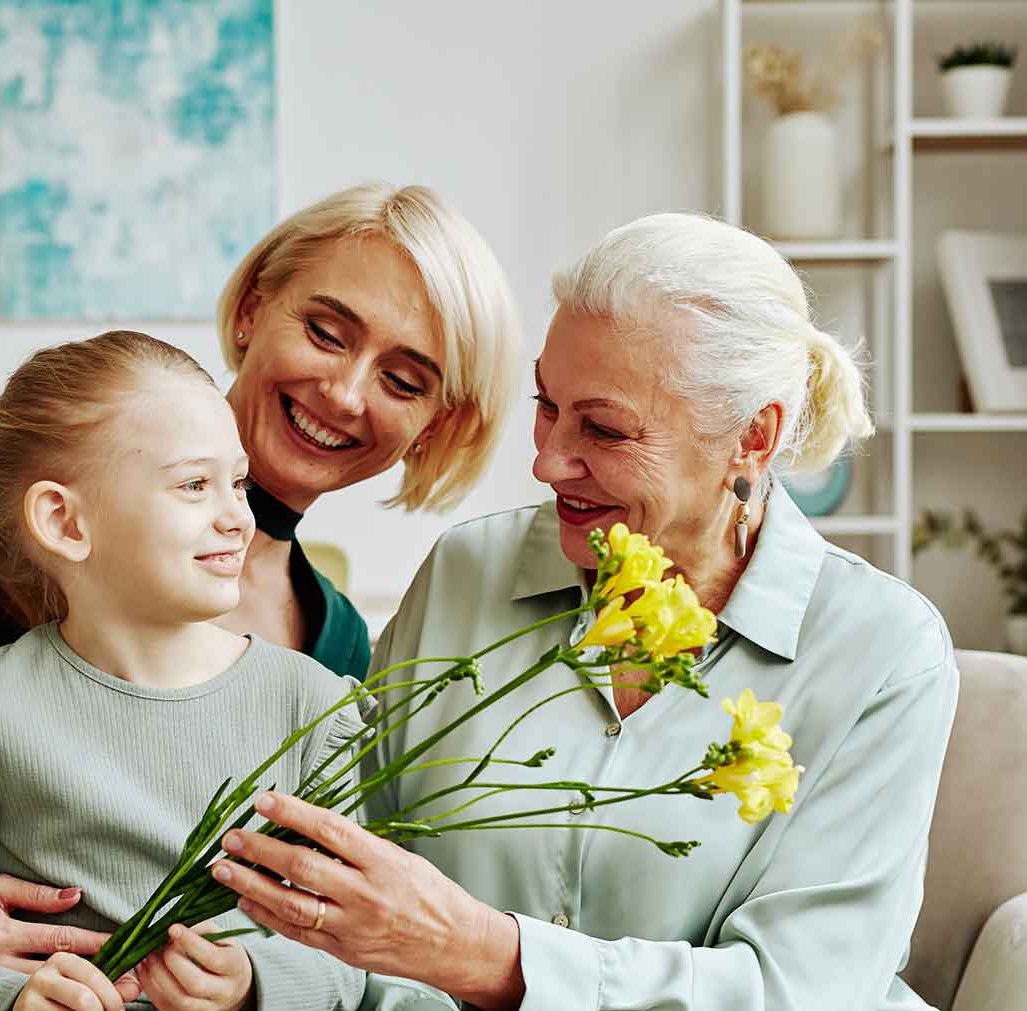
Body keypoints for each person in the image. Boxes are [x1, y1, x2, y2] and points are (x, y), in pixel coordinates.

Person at [210, 212, 961, 1010]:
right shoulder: (468, 573)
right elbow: (328, 882)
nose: (546, 460)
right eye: (547, 404)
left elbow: (802, 990)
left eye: (604, 428)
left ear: (752, 436)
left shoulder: (884, 652)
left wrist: (489, 955)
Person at [0, 182, 522, 973]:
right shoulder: (45, 468)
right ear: (251, 311)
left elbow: (303, 926)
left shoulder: (331, 650)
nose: (344, 391)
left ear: (432, 425)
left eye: (404, 381)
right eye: (327, 331)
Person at [0, 331, 368, 1011]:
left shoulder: (311, 706)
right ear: (65, 522)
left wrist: (254, 982)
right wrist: (2, 998)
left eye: (236, 482)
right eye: (194, 484)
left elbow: (351, 954)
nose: (237, 517)